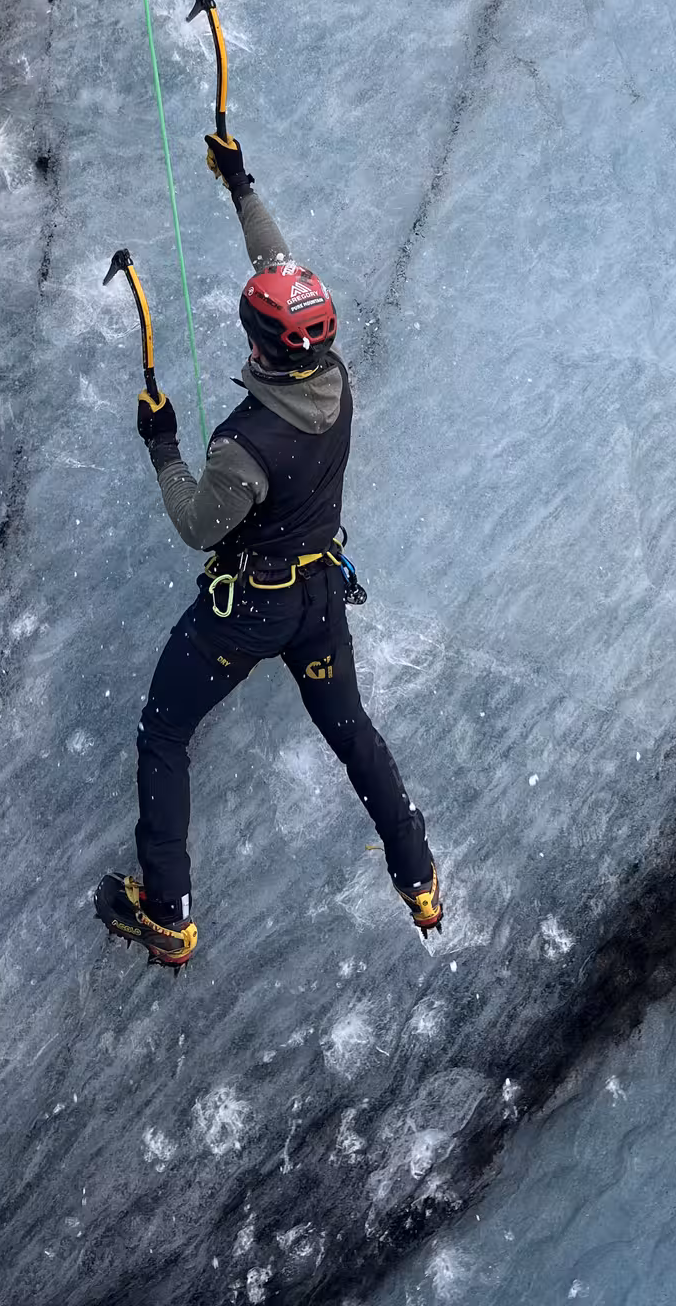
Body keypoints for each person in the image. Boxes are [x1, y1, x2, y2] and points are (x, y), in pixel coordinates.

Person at [94, 132, 443, 970]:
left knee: (164, 732)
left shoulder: (245, 445)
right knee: (350, 728)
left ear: (259, 346)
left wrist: (163, 444)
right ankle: (418, 875)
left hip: (248, 614)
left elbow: (194, 523)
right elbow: (279, 261)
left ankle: (168, 911)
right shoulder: (335, 376)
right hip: (318, 599)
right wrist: (238, 184)